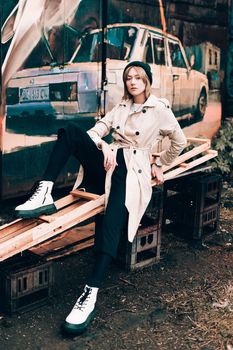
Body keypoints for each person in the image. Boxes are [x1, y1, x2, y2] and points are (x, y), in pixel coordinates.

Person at [14, 61, 186, 335]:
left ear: (147, 81)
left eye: (138, 78)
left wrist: (159, 164)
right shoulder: (119, 107)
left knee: (112, 221)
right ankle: (44, 189)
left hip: (131, 170)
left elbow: (179, 141)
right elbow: (96, 131)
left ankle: (89, 293)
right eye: (129, 77)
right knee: (71, 132)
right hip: (107, 163)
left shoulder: (160, 109)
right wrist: (103, 144)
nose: (132, 82)